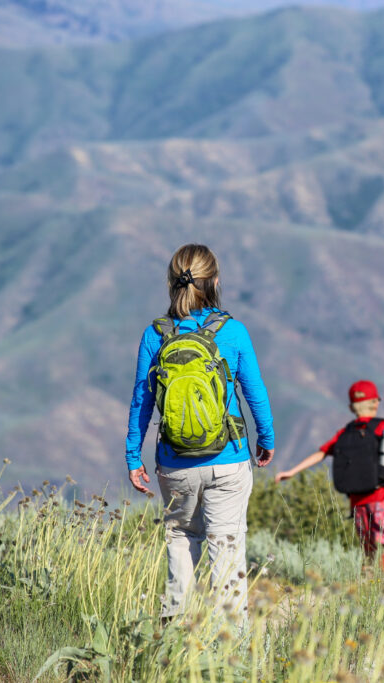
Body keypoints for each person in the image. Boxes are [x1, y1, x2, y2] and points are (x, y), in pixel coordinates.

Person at [125, 243, 275, 622]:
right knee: (226, 549)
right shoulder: (234, 332)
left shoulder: (155, 334)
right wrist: (266, 439)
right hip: (230, 460)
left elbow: (142, 399)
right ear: (216, 281)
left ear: (171, 283)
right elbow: (254, 392)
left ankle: (171, 636)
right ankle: (232, 649)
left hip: (174, 463)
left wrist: (133, 456)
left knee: (180, 539)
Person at [275, 380, 384, 570]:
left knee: (368, 552)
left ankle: (365, 585)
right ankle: (375, 580)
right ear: (376, 403)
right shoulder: (382, 427)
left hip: (357, 502)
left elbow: (320, 454)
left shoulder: (345, 432)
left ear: (352, 407)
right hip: (382, 499)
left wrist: (291, 472)